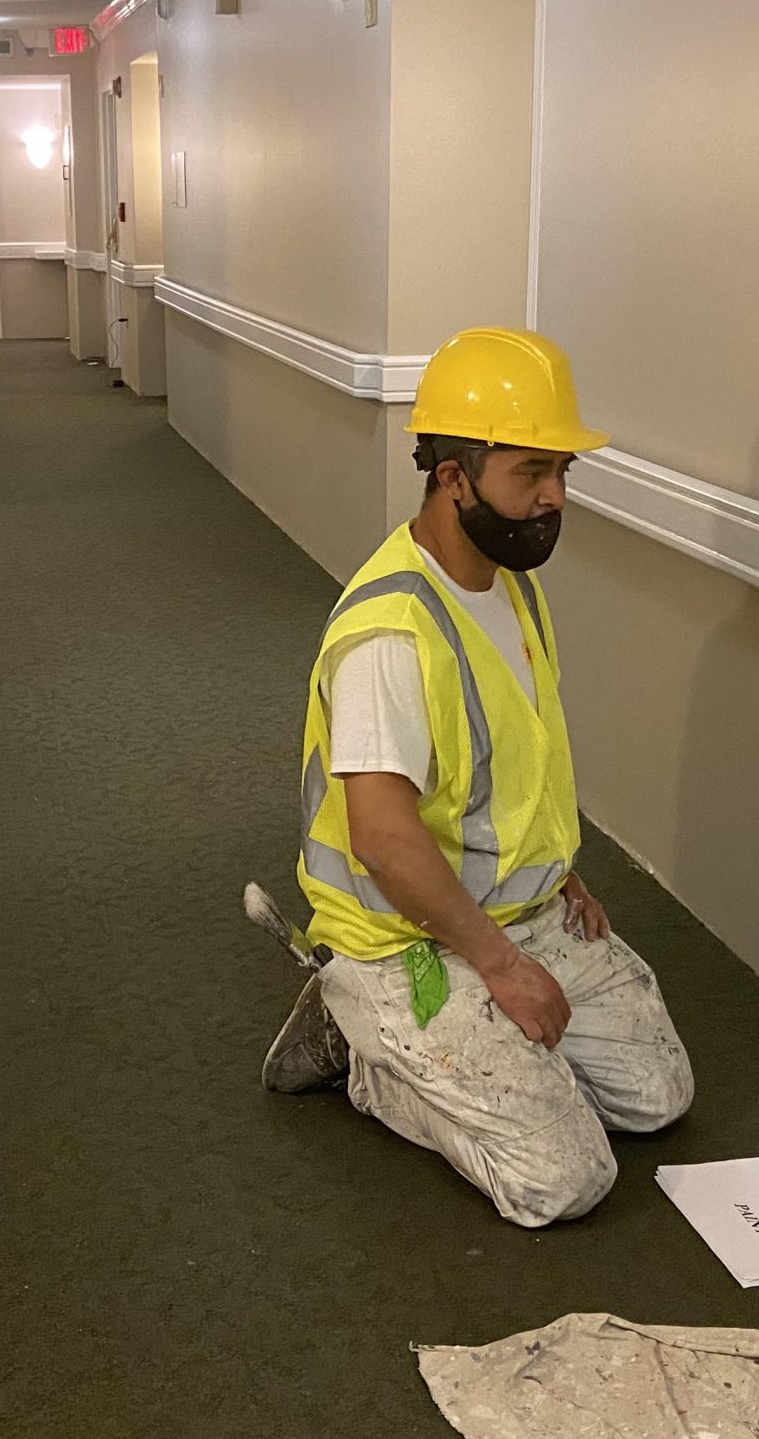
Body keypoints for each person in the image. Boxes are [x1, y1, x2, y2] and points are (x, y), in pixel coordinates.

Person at [262, 327, 693, 1227]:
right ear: (454, 476)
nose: (554, 496)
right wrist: (499, 966)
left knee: (657, 1097)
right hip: (405, 939)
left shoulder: (508, 583)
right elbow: (382, 838)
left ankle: (468, 1056)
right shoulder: (391, 634)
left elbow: (510, 761)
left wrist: (558, 871)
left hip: (518, 907)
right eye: (531, 472)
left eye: (562, 471)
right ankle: (369, 1051)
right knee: (564, 1180)